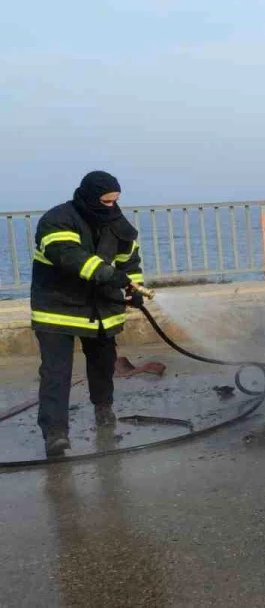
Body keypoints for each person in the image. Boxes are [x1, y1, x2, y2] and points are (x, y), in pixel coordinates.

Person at [30, 171, 145, 456]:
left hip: (101, 308)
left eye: (115, 201)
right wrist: (110, 275)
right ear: (91, 197)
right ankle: (55, 434)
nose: (111, 206)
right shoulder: (58, 219)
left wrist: (136, 287)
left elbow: (129, 259)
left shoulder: (117, 223)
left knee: (103, 363)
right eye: (106, 201)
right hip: (58, 308)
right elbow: (68, 256)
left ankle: (103, 408)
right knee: (56, 372)